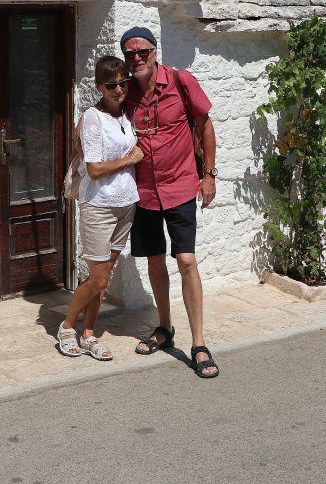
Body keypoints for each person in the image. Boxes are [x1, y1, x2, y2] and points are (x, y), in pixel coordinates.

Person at [120, 27, 220, 379]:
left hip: (180, 186)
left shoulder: (180, 81)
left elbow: (204, 125)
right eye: (130, 54)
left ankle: (199, 342)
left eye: (143, 51)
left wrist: (208, 175)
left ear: (154, 51)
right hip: (144, 191)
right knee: (155, 261)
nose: (137, 58)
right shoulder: (125, 92)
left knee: (187, 260)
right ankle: (164, 328)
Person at [57, 56, 144, 359]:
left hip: (126, 204)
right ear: (99, 87)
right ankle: (68, 325)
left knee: (105, 276)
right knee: (97, 278)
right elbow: (93, 169)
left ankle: (89, 334)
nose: (119, 89)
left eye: (123, 82)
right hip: (100, 205)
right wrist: (129, 159)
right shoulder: (93, 118)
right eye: (112, 85)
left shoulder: (126, 114)